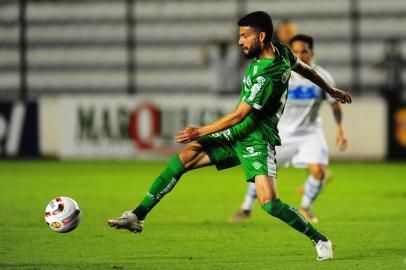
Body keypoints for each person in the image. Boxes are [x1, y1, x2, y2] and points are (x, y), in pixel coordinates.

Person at [107, 11, 352, 261]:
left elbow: (239, 115)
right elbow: (306, 69)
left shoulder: (265, 75)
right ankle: (137, 216)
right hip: (236, 134)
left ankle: (320, 239)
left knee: (269, 203)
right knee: (182, 160)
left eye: (245, 36)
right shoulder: (281, 51)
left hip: (256, 139)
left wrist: (199, 131)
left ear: (262, 36)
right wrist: (331, 89)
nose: (240, 41)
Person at [229, 34, 348, 224]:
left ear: (312, 53)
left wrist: (340, 129)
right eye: (296, 51)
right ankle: (246, 208)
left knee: (319, 172)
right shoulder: (281, 72)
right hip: (281, 131)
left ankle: (306, 207)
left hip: (310, 132)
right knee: (262, 172)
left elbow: (334, 104)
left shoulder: (322, 76)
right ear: (290, 53)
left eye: (305, 51)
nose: (301, 55)